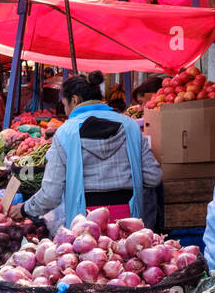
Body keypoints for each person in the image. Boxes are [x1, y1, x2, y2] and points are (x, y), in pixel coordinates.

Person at [21, 71, 162, 230]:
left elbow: (51, 195)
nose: (66, 110)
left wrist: (24, 209)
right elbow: (153, 177)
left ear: (74, 100)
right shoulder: (131, 126)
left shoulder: (66, 133)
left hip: (84, 223)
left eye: (65, 104)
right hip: (129, 220)